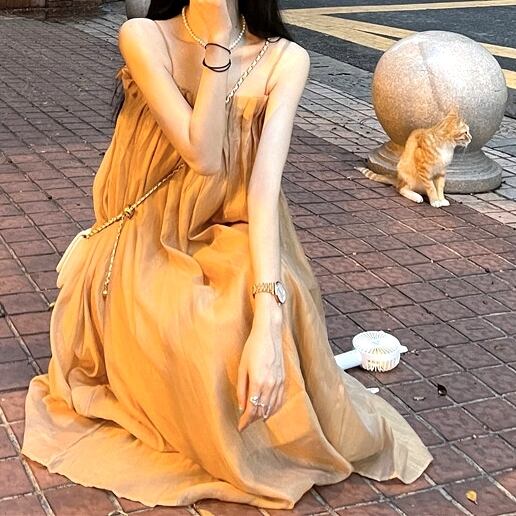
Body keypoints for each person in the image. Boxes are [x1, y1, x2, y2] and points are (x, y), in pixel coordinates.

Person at [20, 0, 433, 510]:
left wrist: (268, 320)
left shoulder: (285, 59)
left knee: (271, 302)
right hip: (147, 232)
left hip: (231, 223)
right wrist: (217, 43)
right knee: (200, 329)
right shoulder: (145, 36)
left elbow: (263, 191)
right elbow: (205, 156)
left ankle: (272, 434)